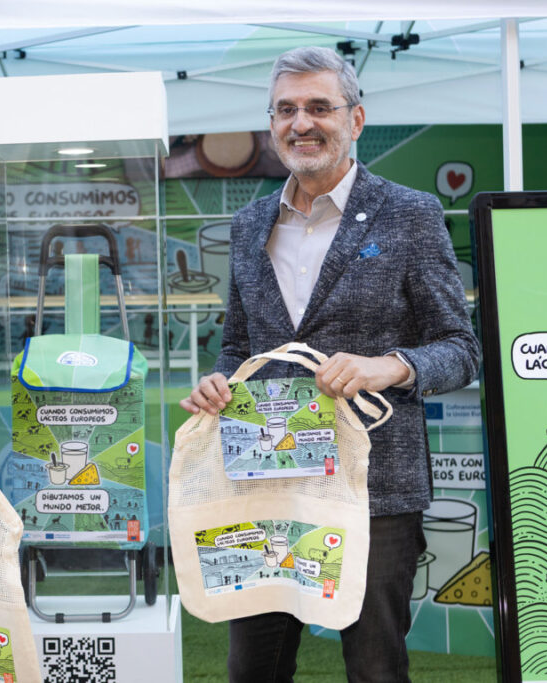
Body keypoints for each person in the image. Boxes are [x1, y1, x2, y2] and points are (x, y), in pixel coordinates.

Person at [181, 46, 480, 682]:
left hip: (373, 487)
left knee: (374, 668)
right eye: (286, 109)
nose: (302, 123)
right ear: (271, 124)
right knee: (252, 669)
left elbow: (461, 348)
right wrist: (218, 382)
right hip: (264, 481)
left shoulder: (410, 213)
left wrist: (388, 367)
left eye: (319, 107)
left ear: (356, 119)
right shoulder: (249, 223)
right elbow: (240, 345)